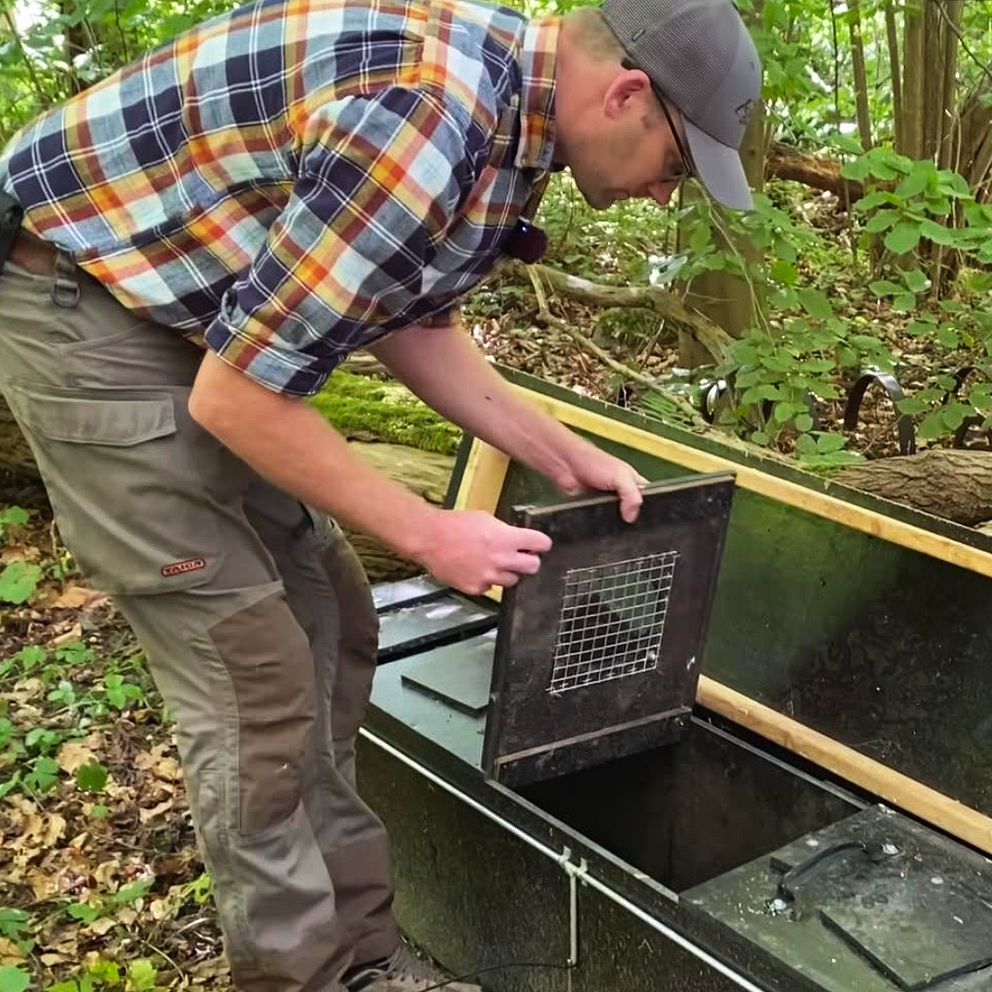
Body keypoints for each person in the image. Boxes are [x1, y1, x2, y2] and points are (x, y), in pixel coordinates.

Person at [0, 0, 760, 988]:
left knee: (332, 608)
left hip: (197, 306)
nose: (664, 195)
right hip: (81, 297)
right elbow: (237, 397)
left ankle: (360, 958)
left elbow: (412, 323)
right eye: (676, 165)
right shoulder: (428, 117)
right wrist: (431, 533)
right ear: (624, 95)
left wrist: (564, 454)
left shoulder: (511, 121)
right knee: (251, 671)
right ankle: (300, 974)